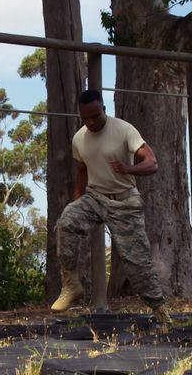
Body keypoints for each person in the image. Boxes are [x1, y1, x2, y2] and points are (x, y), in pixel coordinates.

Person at [51, 90, 171, 327]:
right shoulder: (79, 139)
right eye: (86, 118)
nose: (92, 122)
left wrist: (129, 169)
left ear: (104, 109)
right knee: (66, 221)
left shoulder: (124, 129)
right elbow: (82, 172)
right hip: (95, 197)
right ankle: (71, 284)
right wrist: (76, 203)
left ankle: (160, 310)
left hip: (125, 201)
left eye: (96, 116)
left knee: (137, 264)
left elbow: (152, 163)